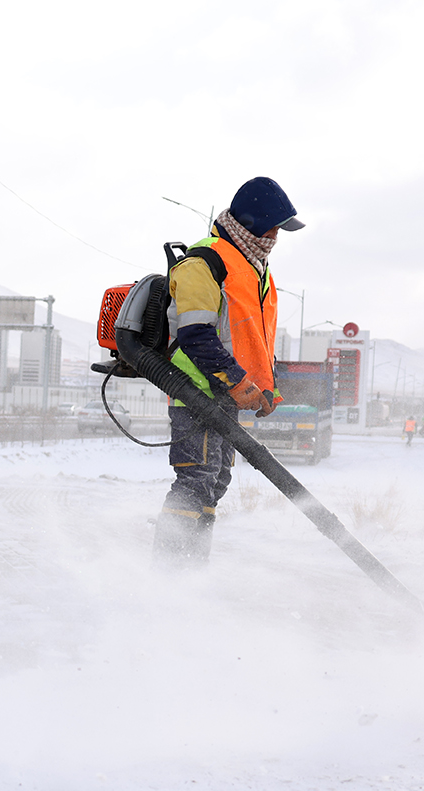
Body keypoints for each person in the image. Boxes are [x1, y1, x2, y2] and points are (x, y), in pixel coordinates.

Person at [153, 177, 304, 565]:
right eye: (272, 227)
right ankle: (169, 575)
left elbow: (253, 339)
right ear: (252, 222)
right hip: (195, 393)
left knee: (215, 481)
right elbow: (196, 335)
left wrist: (264, 387)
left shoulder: (256, 270)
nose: (275, 236)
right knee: (195, 482)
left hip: (225, 395)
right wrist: (236, 381)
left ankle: (191, 570)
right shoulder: (206, 263)